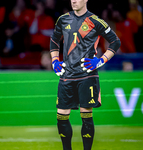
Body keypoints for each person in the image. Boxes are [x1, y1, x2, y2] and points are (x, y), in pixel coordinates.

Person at [50, 0, 121, 150]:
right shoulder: (63, 19)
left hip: (87, 75)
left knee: (86, 116)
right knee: (61, 116)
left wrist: (100, 61)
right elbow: (54, 40)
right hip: (66, 75)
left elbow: (115, 42)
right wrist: (55, 61)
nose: (73, 1)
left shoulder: (95, 21)